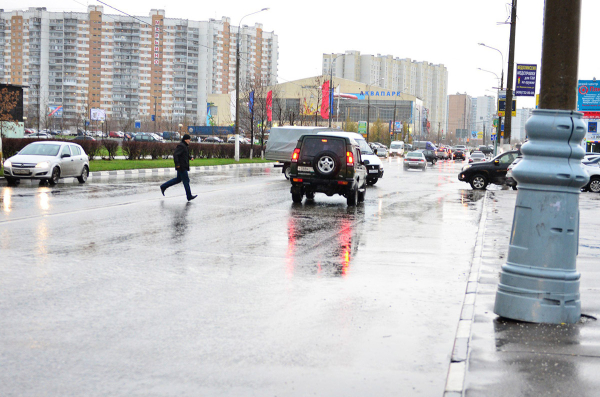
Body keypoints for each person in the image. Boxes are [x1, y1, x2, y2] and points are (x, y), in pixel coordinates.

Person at [160, 134, 197, 201]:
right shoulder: (181, 146)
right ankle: (189, 196)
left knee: (178, 180)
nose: (189, 141)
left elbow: (185, 155)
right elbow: (175, 155)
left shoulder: (185, 146)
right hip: (181, 167)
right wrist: (177, 164)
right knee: (186, 181)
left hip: (183, 166)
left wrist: (190, 157)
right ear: (185, 139)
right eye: (189, 139)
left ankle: (163, 186)